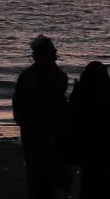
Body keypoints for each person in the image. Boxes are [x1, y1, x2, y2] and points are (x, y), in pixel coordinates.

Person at [13, 35, 70, 199]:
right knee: (49, 176)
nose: (56, 51)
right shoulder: (57, 76)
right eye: (52, 49)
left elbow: (18, 108)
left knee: (36, 177)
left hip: (35, 133)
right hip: (50, 132)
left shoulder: (27, 76)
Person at [67, 62, 110, 199]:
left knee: (89, 185)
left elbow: (70, 120)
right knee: (106, 185)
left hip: (87, 150)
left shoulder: (80, 95)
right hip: (106, 151)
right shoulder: (109, 95)